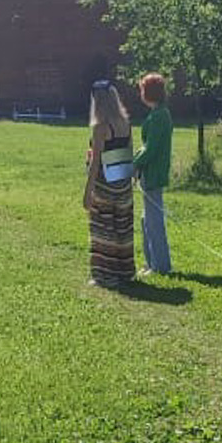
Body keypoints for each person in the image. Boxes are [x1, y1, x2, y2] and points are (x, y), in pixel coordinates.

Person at [84, 78, 136, 288]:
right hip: (123, 182)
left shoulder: (100, 127)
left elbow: (96, 161)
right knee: (122, 228)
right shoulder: (125, 122)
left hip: (105, 184)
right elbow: (130, 151)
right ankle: (124, 271)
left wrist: (87, 191)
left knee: (103, 228)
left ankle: (105, 275)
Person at [133, 73, 173, 276]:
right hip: (149, 173)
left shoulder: (159, 116)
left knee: (154, 221)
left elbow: (151, 148)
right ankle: (151, 263)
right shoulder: (157, 113)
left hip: (154, 174)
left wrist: (134, 165)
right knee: (146, 219)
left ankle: (161, 267)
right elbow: (146, 146)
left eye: (142, 89)